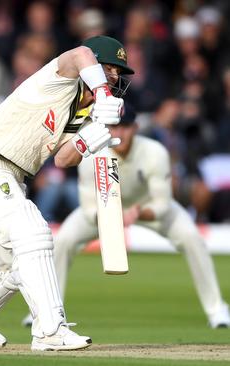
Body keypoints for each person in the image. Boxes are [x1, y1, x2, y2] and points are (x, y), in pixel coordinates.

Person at [0, 35, 131, 351]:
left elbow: (62, 159)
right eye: (109, 68)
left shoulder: (84, 112)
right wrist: (101, 93)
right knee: (33, 233)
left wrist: (92, 136)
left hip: (10, 177)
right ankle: (49, 331)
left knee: (10, 264)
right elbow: (81, 53)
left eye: (117, 73)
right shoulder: (59, 79)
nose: (114, 77)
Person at [21, 105, 230, 329]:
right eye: (113, 127)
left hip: (145, 207)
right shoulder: (92, 155)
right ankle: (45, 312)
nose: (119, 134)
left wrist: (139, 211)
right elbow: (89, 207)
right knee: (63, 240)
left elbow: (162, 203)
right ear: (105, 129)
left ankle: (217, 309)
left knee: (191, 237)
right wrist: (112, 215)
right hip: (104, 211)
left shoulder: (154, 152)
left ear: (135, 128)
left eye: (125, 127)